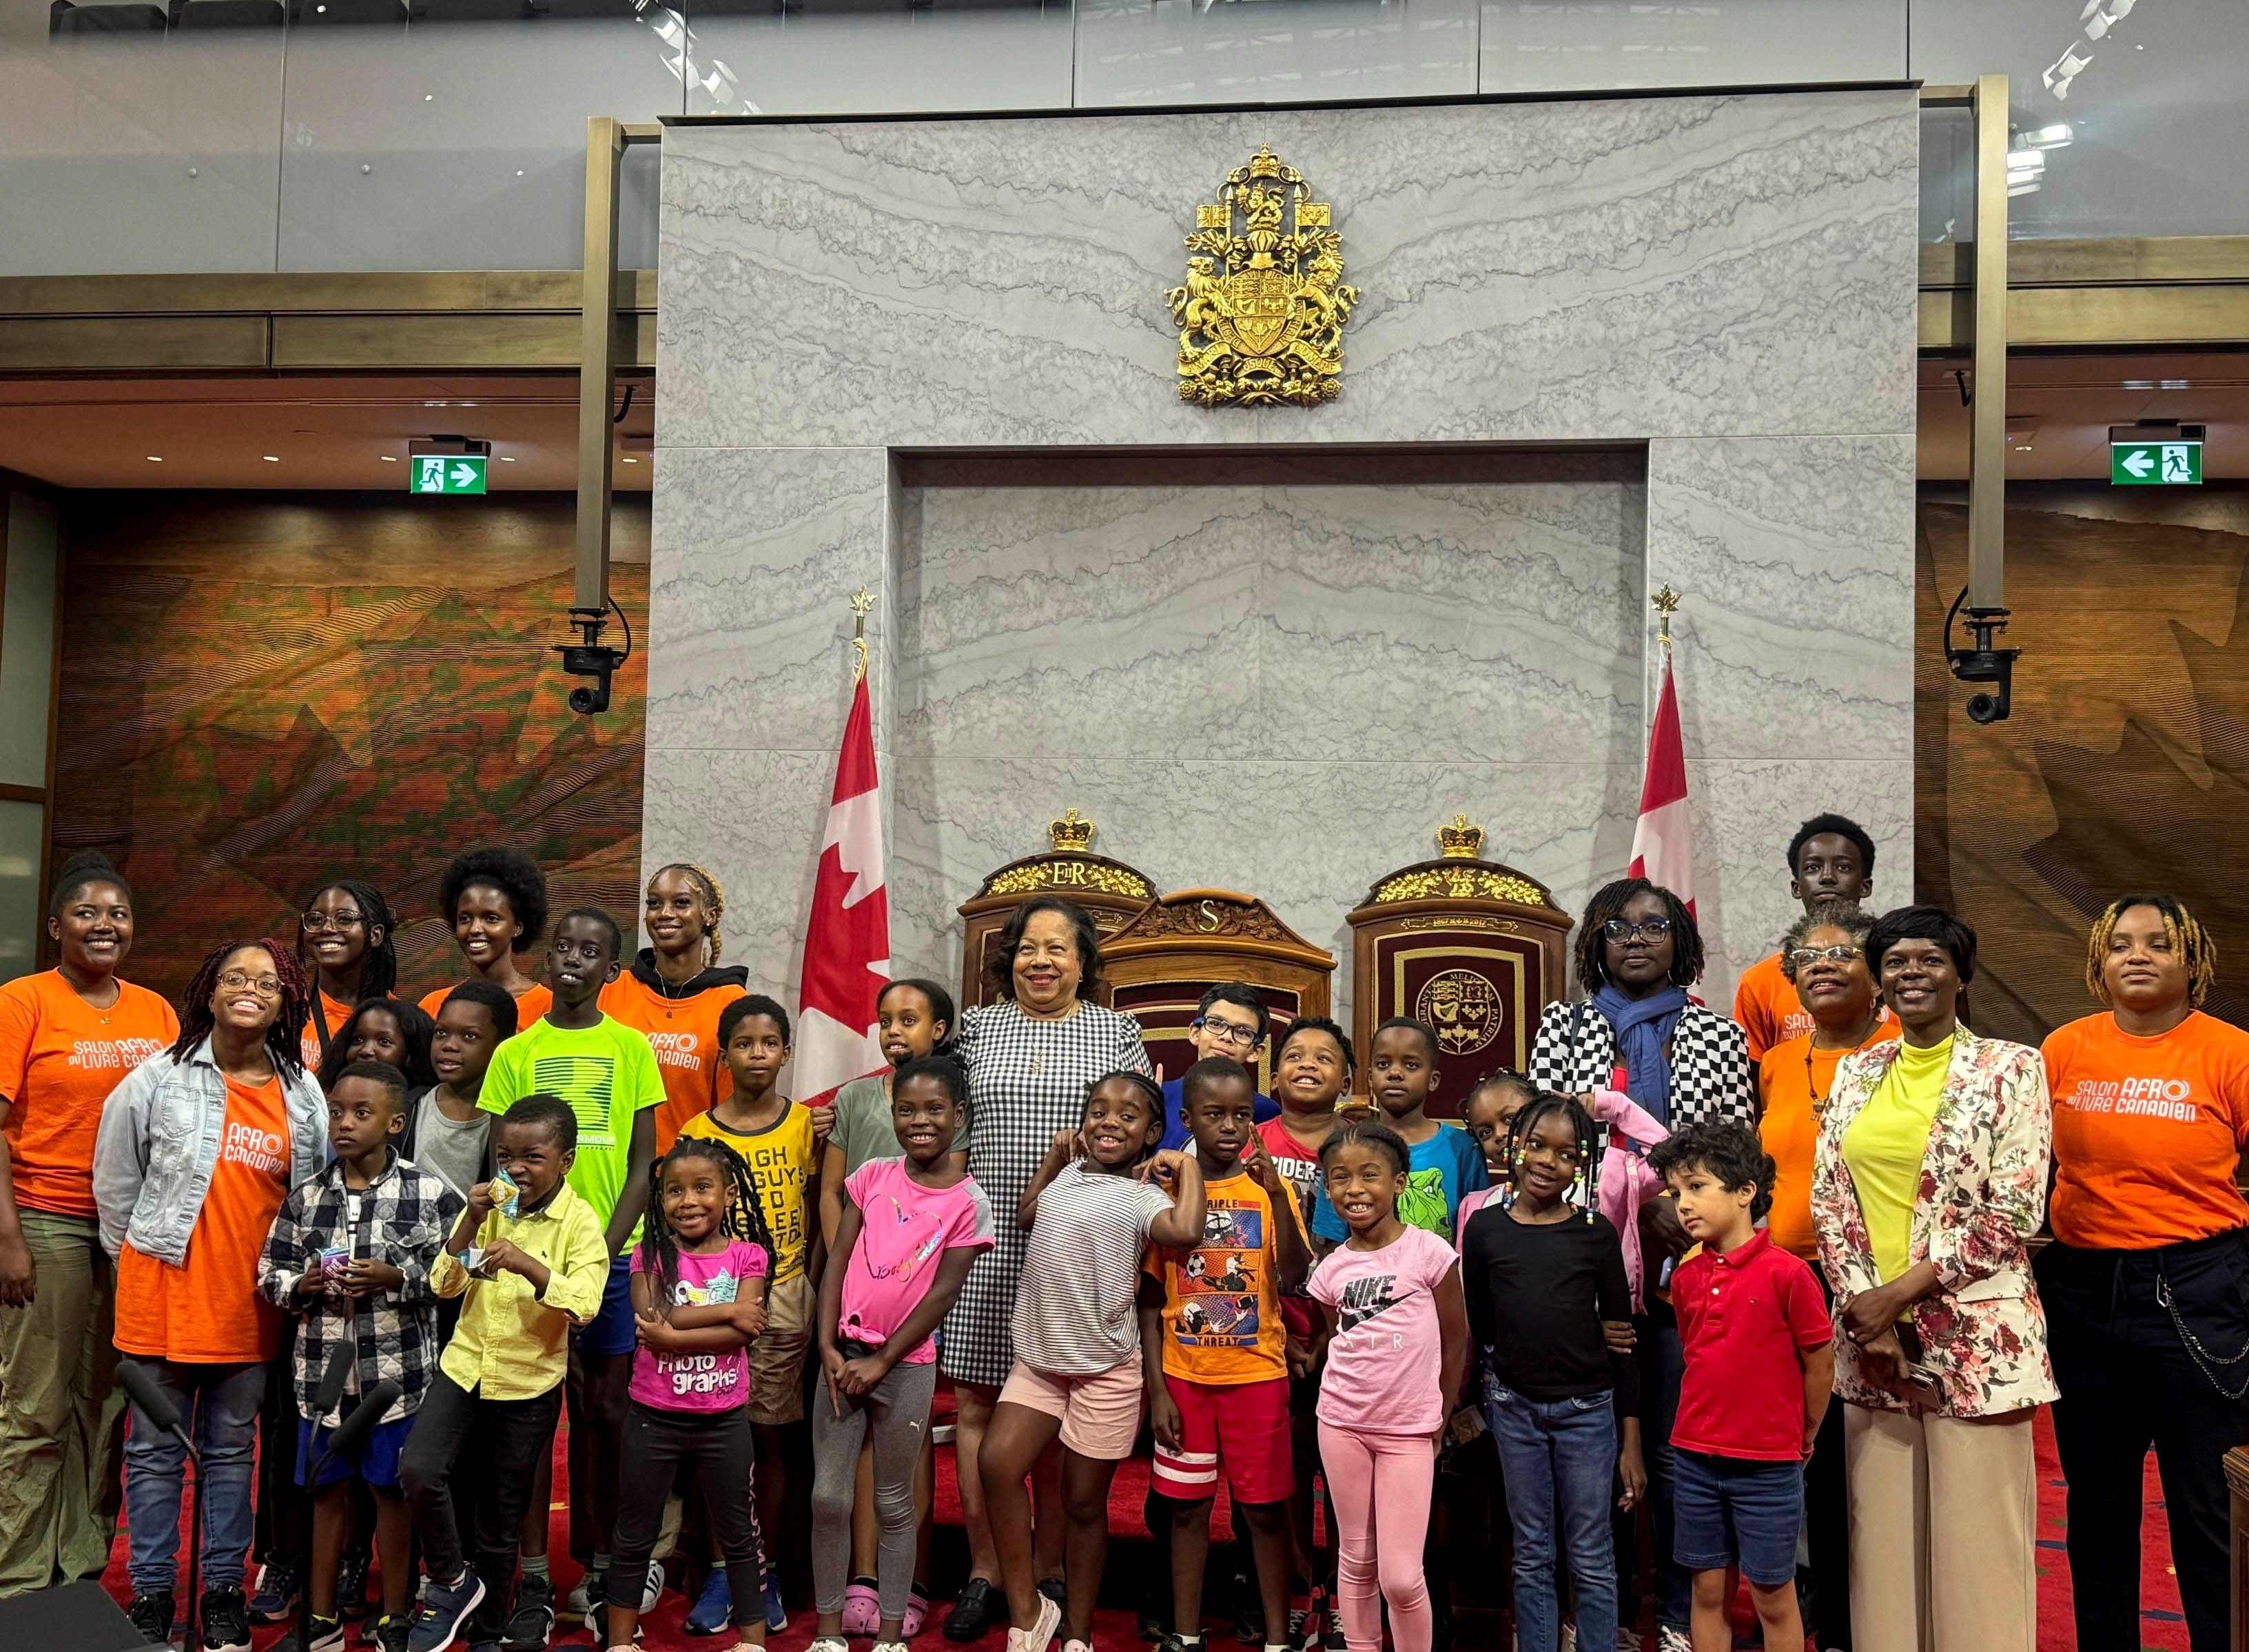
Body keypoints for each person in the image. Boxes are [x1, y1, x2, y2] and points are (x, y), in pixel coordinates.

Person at [1811, 905, 2053, 1652]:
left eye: (1930, 960)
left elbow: (2014, 1210)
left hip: (1977, 1335)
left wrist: (1900, 1294)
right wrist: (1867, 1312)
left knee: (1980, 1554)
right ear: (1879, 980)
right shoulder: (1858, 1069)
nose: (1911, 973)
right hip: (1870, 1342)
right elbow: (1829, 1196)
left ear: (1962, 975)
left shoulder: (2013, 1067)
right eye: (1896, 961)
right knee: (1882, 1553)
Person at [1529, 877, 1751, 1652]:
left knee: (1676, 1440)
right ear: (1595, 939)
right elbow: (1550, 1139)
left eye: (1654, 926)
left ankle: (1682, 1612)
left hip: (1692, 1266)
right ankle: (1605, 1609)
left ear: (1679, 941)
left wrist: (1675, 1202)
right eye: (1618, 927)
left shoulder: (1717, 1034)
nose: (1635, 938)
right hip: (1588, 1268)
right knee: (1597, 1446)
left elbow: (1733, 1151)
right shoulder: (1562, 1026)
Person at [93, 938, 327, 1652]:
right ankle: (154, 1597)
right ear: (209, 989)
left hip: (249, 1305)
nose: (247, 989)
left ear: (287, 1000)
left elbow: (312, 1200)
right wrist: (139, 1262)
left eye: (265, 981)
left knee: (231, 1452)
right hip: (160, 1298)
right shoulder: (155, 1078)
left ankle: (223, 1590)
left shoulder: (303, 1093)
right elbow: (115, 1186)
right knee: (155, 1454)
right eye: (233, 977)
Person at [2036, 894, 2249, 1652]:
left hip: (2197, 1291)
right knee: (2096, 1509)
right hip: (2083, 1292)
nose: (2139, 955)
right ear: (2098, 961)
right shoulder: (2062, 1049)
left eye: (2160, 944)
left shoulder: (2231, 1051)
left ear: (2192, 962)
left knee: (2205, 1509)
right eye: (2122, 943)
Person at [940, 897, 1153, 1642]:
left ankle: (1051, 1568)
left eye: (1058, 949)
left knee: (1061, 1418)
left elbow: (1137, 1125)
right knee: (975, 1406)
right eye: (1029, 947)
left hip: (1078, 1244)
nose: (1041, 961)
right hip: (986, 1236)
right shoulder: (977, 1027)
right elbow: (941, 1115)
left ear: (1084, 961)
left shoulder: (1115, 1030)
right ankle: (986, 1567)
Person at [476, 907, 663, 1647]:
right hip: (522, 1258)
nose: (574, 959)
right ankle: (528, 1573)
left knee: (604, 1414)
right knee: (527, 1416)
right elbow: (499, 1165)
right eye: (565, 947)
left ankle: (600, 1564)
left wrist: (595, 1254)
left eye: (592, 952)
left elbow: (644, 1164)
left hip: (611, 1260)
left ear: (613, 971)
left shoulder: (632, 1047)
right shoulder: (517, 1051)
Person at [0, 852, 177, 1598]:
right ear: (55, 927)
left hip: (126, 1230)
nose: (104, 925)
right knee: (35, 1402)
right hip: (45, 1218)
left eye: (118, 914)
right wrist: (7, 1239)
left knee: (105, 1402)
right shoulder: (21, 1000)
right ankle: (17, 1576)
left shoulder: (157, 1011)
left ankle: (79, 1568)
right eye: (87, 912)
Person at [981, 1071, 1206, 1652]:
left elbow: (1185, 1230)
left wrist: (1188, 1167)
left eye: (1128, 1116)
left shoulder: (1144, 1197)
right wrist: (1053, 1161)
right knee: (998, 1466)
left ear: (1151, 1131)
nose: (1110, 1122)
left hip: (1106, 1366)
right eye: (1099, 1111)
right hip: (1041, 1357)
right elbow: (1027, 1215)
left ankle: (1079, 1632)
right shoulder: (1067, 1178)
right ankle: (1029, 1611)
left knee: (1082, 1502)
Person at [258, 1061, 463, 1652]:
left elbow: (458, 1274)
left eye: (362, 1113)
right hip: (320, 1378)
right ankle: (319, 1620)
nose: (345, 1124)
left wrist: (397, 1276)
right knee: (324, 1492)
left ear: (395, 1123)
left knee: (391, 1496)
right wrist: (301, 1286)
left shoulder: (428, 1193)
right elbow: (269, 1271)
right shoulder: (306, 1197)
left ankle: (395, 1615)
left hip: (394, 1381)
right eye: (338, 1112)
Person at [400, 1095, 610, 1652]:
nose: (516, 1168)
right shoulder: (489, 1206)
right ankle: (452, 1581)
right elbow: (444, 1284)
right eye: (505, 1155)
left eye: (532, 1156)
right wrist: (469, 1219)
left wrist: (529, 1264)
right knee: (419, 1469)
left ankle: (488, 1635)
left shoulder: (581, 1223)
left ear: (565, 1160)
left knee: (501, 1519)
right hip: (464, 1366)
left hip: (528, 1382)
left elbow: (585, 1306)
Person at [810, 1056, 994, 1652]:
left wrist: (882, 1362)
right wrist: (827, 1347)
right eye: (907, 1110)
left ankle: (891, 1634)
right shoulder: (871, 1176)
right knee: (829, 1496)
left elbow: (941, 1294)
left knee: (894, 1501)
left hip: (904, 1369)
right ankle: (831, 1632)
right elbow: (836, 1258)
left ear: (958, 1116)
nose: (919, 1122)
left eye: (935, 1110)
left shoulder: (969, 1203)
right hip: (841, 1358)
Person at [1754, 900, 1889, 1652]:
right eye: (1810, 957)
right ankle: (1807, 1610)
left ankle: (1858, 1618)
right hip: (1786, 1280)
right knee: (1798, 1452)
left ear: (1876, 972)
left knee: (1859, 1460)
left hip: (1872, 1286)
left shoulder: (1904, 1050)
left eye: (1844, 954)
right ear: (1791, 979)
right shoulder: (1775, 1062)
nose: (1826, 966)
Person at [1140, 1057, 1310, 1652]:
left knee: (1264, 1512)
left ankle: (1276, 1637)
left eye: (1243, 1115)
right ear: (1188, 1119)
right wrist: (1157, 1390)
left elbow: (1294, 1275)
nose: (1231, 1127)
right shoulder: (1162, 1192)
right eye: (1215, 1115)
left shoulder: (1270, 1189)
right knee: (1187, 1511)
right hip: (1185, 1376)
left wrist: (1276, 1199)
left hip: (1257, 1376)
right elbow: (1149, 1295)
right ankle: (1186, 1633)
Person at [1461, 1094, 1639, 1652]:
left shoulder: (1595, 1233)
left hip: (1588, 1410)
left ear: (1583, 1165)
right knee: (1532, 1549)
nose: (1546, 1161)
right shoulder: (1486, 1230)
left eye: (1566, 1153)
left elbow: (1622, 1337)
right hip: (1513, 1407)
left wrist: (1630, 1439)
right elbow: (1483, 1321)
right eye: (1536, 1145)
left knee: (1590, 1550)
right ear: (1514, 1146)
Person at [1647, 1123, 1832, 1652]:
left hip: (1769, 1462)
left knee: (1774, 1596)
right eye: (1676, 1192)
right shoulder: (1683, 1277)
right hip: (1696, 1458)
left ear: (1746, 1190)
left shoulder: (1790, 1275)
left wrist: (1805, 1434)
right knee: (1708, 1590)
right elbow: (1695, 1351)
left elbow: (1819, 1364)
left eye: (1697, 1187)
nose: (1683, 1204)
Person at [679, 993, 827, 1633]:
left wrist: (813, 1286)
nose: (757, 1054)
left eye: (770, 1043)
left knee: (767, 1437)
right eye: (744, 1043)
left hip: (786, 1293)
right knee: (720, 1441)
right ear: (725, 1053)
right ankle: (720, 1569)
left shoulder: (805, 1126)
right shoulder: (699, 1133)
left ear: (786, 1052)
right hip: (711, 1296)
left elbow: (823, 1208)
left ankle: (758, 1569)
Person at [598, 1134, 777, 1652]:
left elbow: (745, 1330)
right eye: (675, 1191)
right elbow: (652, 1314)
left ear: (728, 1195)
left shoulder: (749, 1256)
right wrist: (723, 1311)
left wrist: (673, 1336)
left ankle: (751, 1642)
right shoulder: (649, 1253)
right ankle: (619, 1642)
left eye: (703, 1188)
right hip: (655, 1418)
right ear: (661, 1201)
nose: (689, 1201)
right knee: (634, 1531)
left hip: (723, 1420)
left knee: (740, 1533)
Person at [1306, 1119, 1468, 1652]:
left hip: (1408, 1430)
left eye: (1370, 1175)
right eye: (1340, 1178)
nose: (1355, 1189)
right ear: (1327, 1189)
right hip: (1342, 1425)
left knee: (1400, 1575)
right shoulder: (1331, 1268)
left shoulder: (1430, 1254)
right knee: (1354, 1559)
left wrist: (1442, 1413)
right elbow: (1338, 1335)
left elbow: (1455, 1337)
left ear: (1399, 1182)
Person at [1253, 1016, 1352, 1649]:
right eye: (1293, 1054)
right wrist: (1278, 1333)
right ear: (1274, 1072)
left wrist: (1333, 1337)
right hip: (1268, 1334)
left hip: (1345, 1336)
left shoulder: (1365, 1143)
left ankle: (1344, 1594)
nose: (1307, 1063)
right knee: (1280, 1472)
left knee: (1345, 1476)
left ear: (1347, 1077)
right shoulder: (1251, 1140)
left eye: (1324, 1056)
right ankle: (1292, 1588)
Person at [599, 863, 748, 1155]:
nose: (664, 913)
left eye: (681, 903)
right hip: (609, 1172)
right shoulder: (611, 990)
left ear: (710, 915)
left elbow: (736, 1110)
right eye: (654, 903)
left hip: (688, 1176)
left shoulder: (731, 1002)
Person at [1309, 1020, 1483, 1244]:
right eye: (1383, 1064)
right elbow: (1332, 1243)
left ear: (1433, 1080)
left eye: (1411, 1065)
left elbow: (1477, 1234)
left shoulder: (1462, 1147)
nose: (1395, 1073)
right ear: (1370, 1078)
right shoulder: (1344, 1148)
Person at [1731, 816, 1878, 1062]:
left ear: (1865, 886)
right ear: (1796, 887)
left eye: (1843, 867)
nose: (1827, 877)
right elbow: (1755, 1077)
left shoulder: (1891, 970)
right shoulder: (1759, 981)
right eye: (1812, 868)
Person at [406, 981, 517, 1214]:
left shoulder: (513, 1124)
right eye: (441, 1033)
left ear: (503, 1045)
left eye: (469, 1036)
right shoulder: (408, 1109)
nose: (449, 1045)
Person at [417, 848, 553, 1026]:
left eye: (491, 919)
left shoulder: (547, 1008)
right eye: (465, 919)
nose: (475, 929)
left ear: (517, 927)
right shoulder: (433, 1006)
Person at [1157, 984, 1280, 1150]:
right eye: (1216, 1024)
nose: (1226, 1037)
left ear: (1255, 1052)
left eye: (1243, 1032)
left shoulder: (1267, 1112)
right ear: (1195, 1033)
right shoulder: (1159, 1095)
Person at [296, 880, 400, 1071]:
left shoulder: (398, 1019)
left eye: (344, 919)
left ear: (375, 935)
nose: (326, 928)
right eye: (316, 920)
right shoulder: (287, 1011)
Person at [318, 998, 437, 1096]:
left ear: (410, 1055)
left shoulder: (425, 1111)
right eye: (358, 1040)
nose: (366, 1050)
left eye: (384, 1042)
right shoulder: (324, 1104)